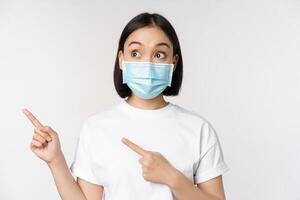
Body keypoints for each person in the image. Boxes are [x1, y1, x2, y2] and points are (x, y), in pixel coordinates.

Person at [22, 12, 230, 200]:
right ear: (122, 59)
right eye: (136, 53)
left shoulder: (198, 129)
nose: (147, 63)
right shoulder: (96, 128)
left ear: (173, 63)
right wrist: (55, 160)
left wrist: (172, 177)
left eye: (159, 55)